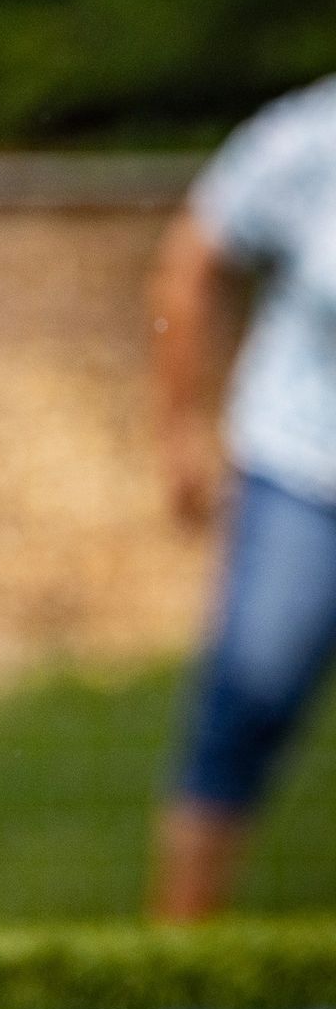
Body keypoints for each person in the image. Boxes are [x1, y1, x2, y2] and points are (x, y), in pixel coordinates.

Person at [149, 75, 336, 921]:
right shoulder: (309, 137)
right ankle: (177, 964)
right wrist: (184, 429)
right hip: (304, 469)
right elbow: (195, 252)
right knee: (252, 691)